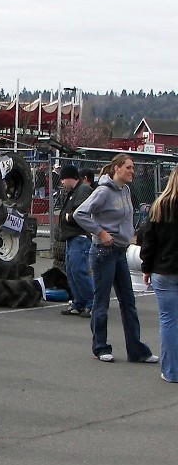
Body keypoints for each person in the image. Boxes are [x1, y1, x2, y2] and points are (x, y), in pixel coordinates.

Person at [73, 153, 158, 364]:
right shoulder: (102, 192)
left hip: (120, 251)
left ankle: (136, 350)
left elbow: (126, 217)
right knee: (101, 301)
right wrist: (100, 232)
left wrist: (131, 235)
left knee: (128, 301)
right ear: (117, 168)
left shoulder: (126, 190)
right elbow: (80, 214)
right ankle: (100, 347)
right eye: (129, 167)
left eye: (133, 167)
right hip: (104, 252)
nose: (132, 171)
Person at [140, 165, 178, 383]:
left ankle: (172, 371)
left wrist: (146, 267)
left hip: (163, 268)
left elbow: (149, 240)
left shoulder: (160, 206)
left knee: (168, 321)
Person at [57, 164, 94, 318]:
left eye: (62, 179)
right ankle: (79, 303)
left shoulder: (83, 190)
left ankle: (92, 304)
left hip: (80, 237)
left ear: (68, 177)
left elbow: (82, 212)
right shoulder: (73, 191)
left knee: (79, 271)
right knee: (72, 272)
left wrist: (68, 217)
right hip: (72, 237)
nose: (61, 183)